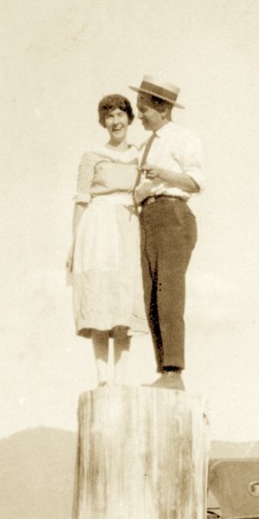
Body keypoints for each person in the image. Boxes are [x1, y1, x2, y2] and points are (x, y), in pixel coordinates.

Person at [131, 75, 206, 389]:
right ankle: (164, 371)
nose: (140, 115)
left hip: (173, 215)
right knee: (151, 296)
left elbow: (196, 182)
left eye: (144, 108)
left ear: (161, 107)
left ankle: (174, 371)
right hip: (148, 217)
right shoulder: (145, 145)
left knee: (169, 294)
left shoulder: (184, 137)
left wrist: (162, 174)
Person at [66, 94, 147, 386]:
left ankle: (121, 379)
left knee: (124, 302)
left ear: (129, 118)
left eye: (120, 115)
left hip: (128, 225)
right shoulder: (92, 156)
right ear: (103, 122)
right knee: (98, 298)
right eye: (109, 116)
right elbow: (81, 200)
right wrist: (74, 243)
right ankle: (102, 378)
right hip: (97, 227)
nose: (116, 121)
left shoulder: (140, 156)